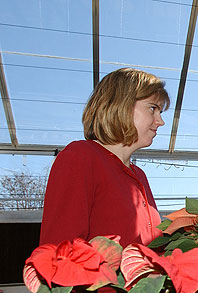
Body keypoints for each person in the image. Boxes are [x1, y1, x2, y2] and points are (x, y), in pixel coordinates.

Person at [40, 68, 169, 247]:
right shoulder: (80, 157)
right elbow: (60, 251)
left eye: (161, 112)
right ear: (121, 105)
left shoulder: (139, 175)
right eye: (152, 108)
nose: (160, 121)